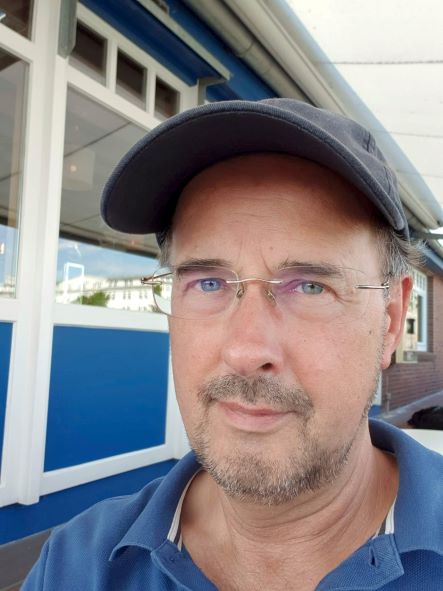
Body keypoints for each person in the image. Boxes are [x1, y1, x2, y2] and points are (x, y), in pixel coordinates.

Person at [23, 99, 443, 590]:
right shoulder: (76, 565)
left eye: (310, 286)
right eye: (208, 283)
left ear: (390, 320)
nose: (246, 351)